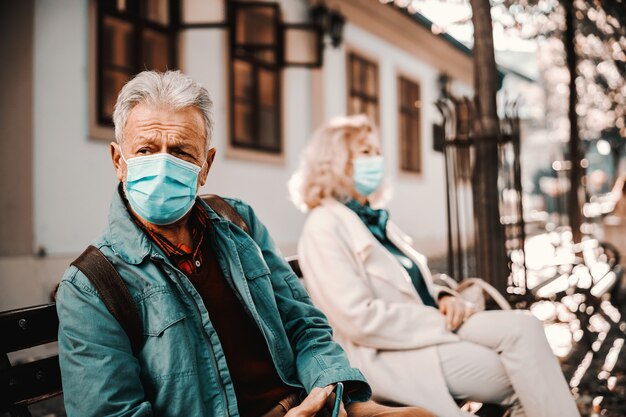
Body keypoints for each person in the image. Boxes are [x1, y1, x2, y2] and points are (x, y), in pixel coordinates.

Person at [56, 71, 433, 417]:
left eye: (182, 152)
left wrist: (328, 386)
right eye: (146, 150)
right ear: (118, 161)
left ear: (206, 166)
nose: (162, 164)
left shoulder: (239, 223)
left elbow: (304, 322)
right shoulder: (91, 287)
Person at [289, 115, 581, 417]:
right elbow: (359, 319)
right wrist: (436, 319)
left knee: (526, 326)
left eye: (377, 151)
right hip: (389, 351)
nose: (377, 159)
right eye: (365, 152)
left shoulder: (373, 220)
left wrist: (443, 296)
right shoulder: (324, 226)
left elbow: (411, 280)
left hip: (429, 326)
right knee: (525, 375)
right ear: (335, 161)